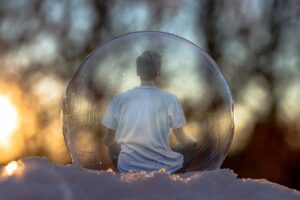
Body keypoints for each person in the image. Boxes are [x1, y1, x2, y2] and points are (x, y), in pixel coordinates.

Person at [102, 50, 196, 174]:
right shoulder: (170, 99)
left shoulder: (119, 99)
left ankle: (129, 165)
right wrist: (193, 142)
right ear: (158, 72)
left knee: (114, 147)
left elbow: (108, 141)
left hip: (127, 168)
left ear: (137, 71)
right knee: (190, 146)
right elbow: (182, 138)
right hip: (166, 169)